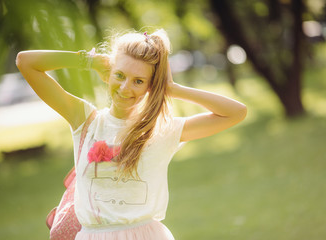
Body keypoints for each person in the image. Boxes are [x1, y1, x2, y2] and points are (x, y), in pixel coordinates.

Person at [16, 29, 247, 240]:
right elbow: (26, 62)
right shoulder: (85, 120)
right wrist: (91, 61)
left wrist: (172, 89)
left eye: (138, 81)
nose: (126, 88)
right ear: (109, 73)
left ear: (150, 86)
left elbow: (236, 112)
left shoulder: (161, 130)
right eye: (120, 75)